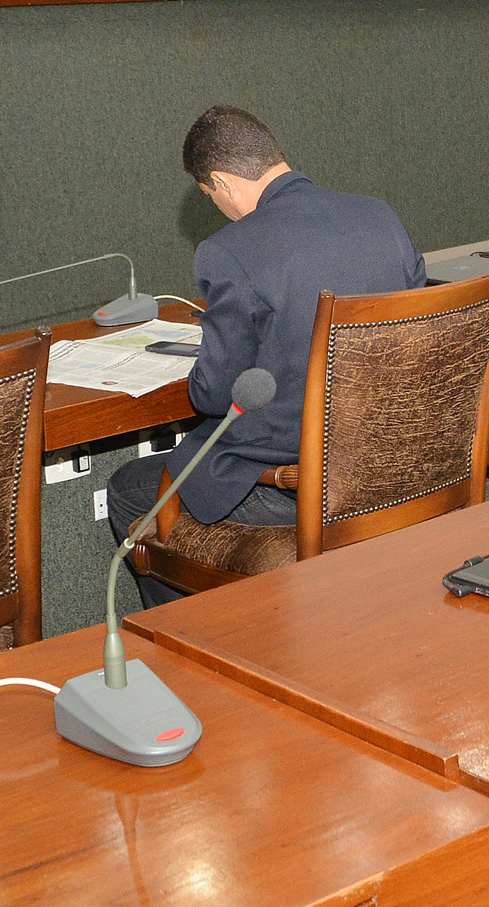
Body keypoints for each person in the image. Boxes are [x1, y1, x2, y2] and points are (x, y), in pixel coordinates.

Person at [106, 106, 426, 606]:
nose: (218, 207)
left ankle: (186, 641)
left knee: (129, 487)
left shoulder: (229, 250)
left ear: (220, 182)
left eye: (210, 196)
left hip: (296, 485)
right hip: (399, 462)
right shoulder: (379, 216)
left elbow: (214, 395)